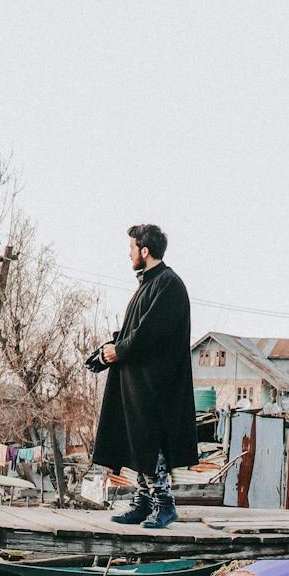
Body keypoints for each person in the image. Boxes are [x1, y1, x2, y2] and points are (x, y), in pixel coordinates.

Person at [91, 223, 197, 529]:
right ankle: (144, 502)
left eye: (132, 249)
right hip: (139, 379)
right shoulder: (149, 284)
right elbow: (132, 331)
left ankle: (164, 504)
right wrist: (107, 351)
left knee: (151, 439)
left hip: (157, 382)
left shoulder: (168, 284)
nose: (129, 254)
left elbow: (149, 333)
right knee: (137, 438)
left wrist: (118, 350)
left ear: (145, 251)